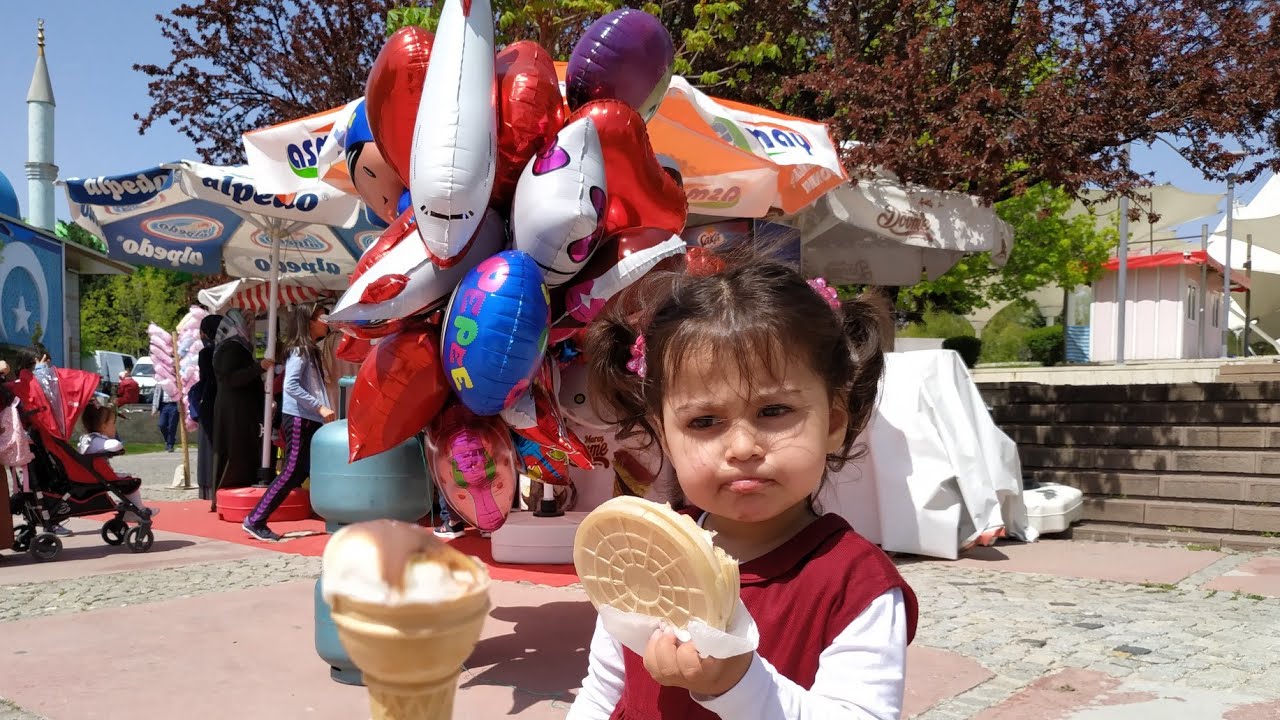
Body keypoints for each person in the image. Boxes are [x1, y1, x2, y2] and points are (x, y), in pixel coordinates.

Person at [567, 246, 919, 720]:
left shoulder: (854, 584)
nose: (742, 447)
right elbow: (603, 689)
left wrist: (736, 684)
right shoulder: (644, 553)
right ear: (665, 436)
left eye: (774, 412)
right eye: (704, 421)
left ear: (834, 420)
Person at [242, 302, 337, 541]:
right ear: (308, 322)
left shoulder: (310, 350)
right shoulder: (300, 350)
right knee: (292, 470)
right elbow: (291, 385)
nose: (325, 319)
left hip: (309, 417)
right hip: (299, 418)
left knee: (300, 471)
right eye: (320, 315)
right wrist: (319, 406)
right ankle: (255, 519)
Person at [211, 308, 268, 508]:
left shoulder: (230, 347)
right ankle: (232, 490)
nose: (250, 325)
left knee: (234, 449)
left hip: (234, 407)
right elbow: (232, 378)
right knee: (236, 450)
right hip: (236, 409)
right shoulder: (232, 348)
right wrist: (259, 367)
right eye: (247, 321)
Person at [79, 399, 160, 520]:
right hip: (100, 477)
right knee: (130, 481)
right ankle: (137, 510)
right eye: (112, 424)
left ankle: (132, 509)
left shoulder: (85, 439)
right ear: (103, 426)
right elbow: (115, 445)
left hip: (90, 474)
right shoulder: (98, 441)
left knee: (123, 477)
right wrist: (118, 442)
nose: (114, 427)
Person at [193, 314, 222, 501]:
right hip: (222, 400)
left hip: (209, 400)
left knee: (208, 445)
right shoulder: (224, 350)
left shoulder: (206, 353)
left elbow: (206, 379)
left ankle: (208, 485)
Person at [151, 383, 179, 452]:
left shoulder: (176, 381)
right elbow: (156, 395)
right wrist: (154, 408)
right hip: (163, 406)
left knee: (172, 426)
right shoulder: (160, 383)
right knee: (161, 425)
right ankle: (168, 439)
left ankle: (170, 445)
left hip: (174, 405)